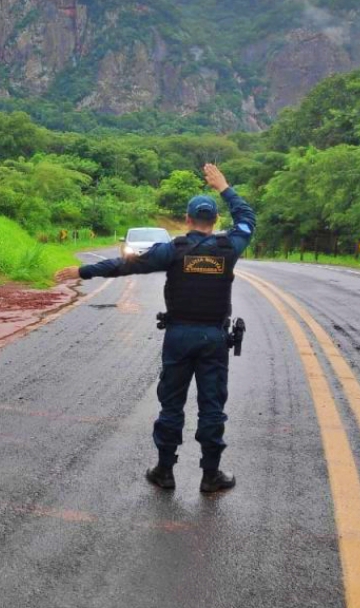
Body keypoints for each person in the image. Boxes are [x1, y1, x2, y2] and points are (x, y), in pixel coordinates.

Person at [55, 164, 256, 493]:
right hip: (214, 339)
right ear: (215, 222)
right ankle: (210, 475)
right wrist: (224, 186)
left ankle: (164, 471)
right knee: (212, 406)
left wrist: (83, 270)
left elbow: (125, 264)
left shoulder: (173, 251)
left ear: (188, 220)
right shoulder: (228, 248)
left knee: (171, 404)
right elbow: (247, 219)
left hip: (178, 337)